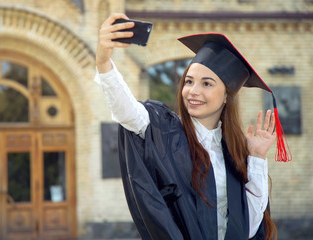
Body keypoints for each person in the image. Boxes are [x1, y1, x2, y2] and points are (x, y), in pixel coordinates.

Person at [95, 13, 290, 240]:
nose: (193, 91)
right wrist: (103, 62)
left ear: (227, 96)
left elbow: (247, 227)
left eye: (206, 83)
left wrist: (256, 157)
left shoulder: (233, 152)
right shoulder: (164, 131)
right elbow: (126, 111)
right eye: (189, 81)